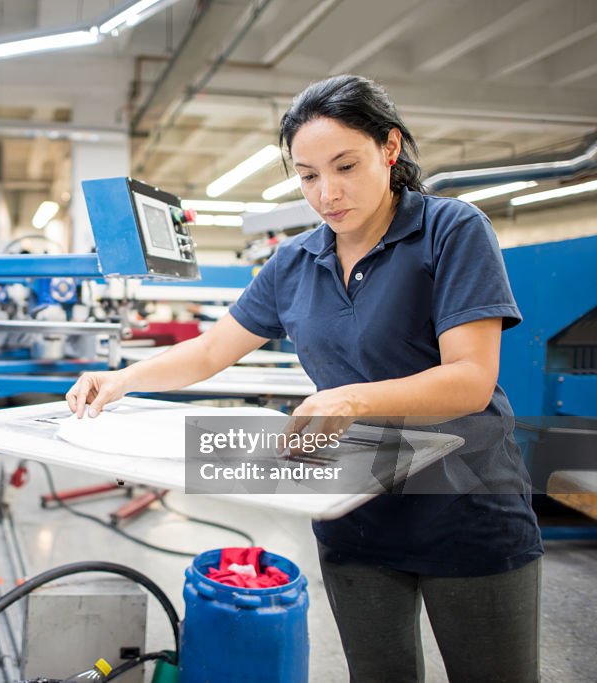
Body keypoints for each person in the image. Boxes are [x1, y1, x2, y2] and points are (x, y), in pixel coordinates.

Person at [65, 75, 541, 682]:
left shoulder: (451, 231)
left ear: (390, 149)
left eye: (346, 166)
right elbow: (212, 349)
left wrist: (349, 397)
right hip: (352, 510)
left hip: (465, 503)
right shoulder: (294, 261)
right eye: (308, 175)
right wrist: (121, 379)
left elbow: (470, 379)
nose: (327, 193)